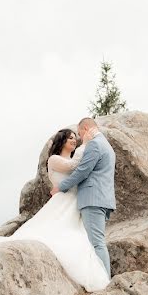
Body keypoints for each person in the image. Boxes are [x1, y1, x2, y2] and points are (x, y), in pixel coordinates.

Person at [0, 127, 110, 292]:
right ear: (61, 141)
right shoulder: (54, 159)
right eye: (70, 138)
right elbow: (73, 167)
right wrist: (85, 144)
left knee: (81, 237)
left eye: (75, 138)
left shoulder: (75, 156)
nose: (74, 140)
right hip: (63, 202)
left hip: (76, 203)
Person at [50, 117, 117, 277]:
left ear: (86, 128)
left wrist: (61, 187)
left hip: (92, 198)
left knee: (96, 243)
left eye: (79, 134)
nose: (79, 138)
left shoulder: (94, 144)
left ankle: (104, 279)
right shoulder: (107, 146)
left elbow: (82, 171)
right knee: (94, 242)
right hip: (102, 198)